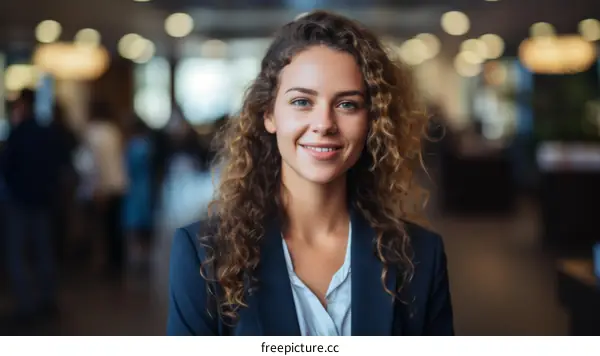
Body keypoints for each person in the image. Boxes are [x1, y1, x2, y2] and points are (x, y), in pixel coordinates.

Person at [166, 10, 454, 336]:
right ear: (269, 115)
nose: (324, 124)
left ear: (372, 121)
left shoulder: (419, 256)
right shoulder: (204, 254)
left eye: (347, 104)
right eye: (302, 101)